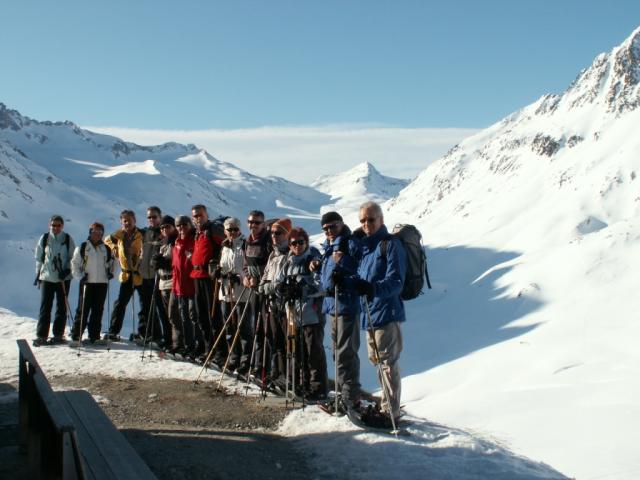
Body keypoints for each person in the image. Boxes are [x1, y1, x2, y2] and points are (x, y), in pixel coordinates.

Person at [353, 201, 406, 422]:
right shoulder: (367, 248)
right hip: (369, 314)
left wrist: (373, 289)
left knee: (387, 363)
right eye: (363, 220)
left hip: (386, 313)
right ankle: (386, 406)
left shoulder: (390, 245)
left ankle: (390, 411)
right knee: (378, 361)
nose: (366, 224)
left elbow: (396, 281)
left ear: (381, 220)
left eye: (371, 219)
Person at [314, 211, 363, 408]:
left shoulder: (350, 243)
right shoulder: (330, 246)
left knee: (346, 354)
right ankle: (344, 395)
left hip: (347, 306)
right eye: (325, 228)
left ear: (341, 224)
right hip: (334, 305)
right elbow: (331, 274)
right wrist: (318, 267)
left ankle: (350, 397)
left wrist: (342, 262)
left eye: (332, 226)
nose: (329, 231)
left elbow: (361, 268)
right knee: (337, 353)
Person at [273, 227, 327, 401]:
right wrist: (282, 290)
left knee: (314, 352)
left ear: (306, 242)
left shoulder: (313, 260)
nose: (297, 246)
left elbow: (321, 286)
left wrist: (302, 289)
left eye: (300, 242)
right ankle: (303, 385)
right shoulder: (287, 262)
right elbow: (278, 283)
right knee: (298, 352)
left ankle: (318, 388)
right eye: (293, 243)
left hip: (311, 314)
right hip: (293, 315)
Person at [258, 218, 292, 389]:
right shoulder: (273, 254)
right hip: (272, 305)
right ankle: (278, 374)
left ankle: (288, 377)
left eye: (278, 233)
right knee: (276, 341)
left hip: (285, 307)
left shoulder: (289, 255)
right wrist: (266, 286)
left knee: (287, 343)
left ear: (286, 234)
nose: (273, 236)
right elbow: (264, 279)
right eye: (271, 233)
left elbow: (280, 281)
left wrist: (267, 287)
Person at [33, 215, 76, 346]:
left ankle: (58, 334)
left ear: (62, 226)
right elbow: (39, 257)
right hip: (47, 277)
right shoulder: (45, 238)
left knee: (61, 307)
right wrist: (38, 274)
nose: (55, 227)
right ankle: (42, 335)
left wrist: (67, 270)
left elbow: (73, 258)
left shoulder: (68, 239)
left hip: (63, 278)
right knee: (45, 307)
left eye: (58, 225)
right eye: (53, 225)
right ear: (49, 225)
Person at [190, 204, 225, 364]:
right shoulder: (198, 233)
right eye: (195, 216)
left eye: (200, 215)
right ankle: (208, 349)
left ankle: (220, 352)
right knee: (202, 315)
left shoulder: (213, 230)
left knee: (213, 315)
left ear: (206, 215)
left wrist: (216, 263)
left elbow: (225, 246)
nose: (197, 218)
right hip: (197, 275)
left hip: (209, 278)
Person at [69, 222, 114, 346]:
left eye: (100, 232)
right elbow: (75, 264)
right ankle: (76, 335)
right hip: (87, 282)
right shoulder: (83, 247)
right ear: (90, 232)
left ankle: (94, 335)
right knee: (83, 309)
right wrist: (80, 277)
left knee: (98, 310)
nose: (97, 234)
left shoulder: (106, 249)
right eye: (94, 232)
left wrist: (111, 273)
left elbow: (113, 263)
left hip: (101, 282)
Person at [218, 217, 252, 376]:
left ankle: (245, 362)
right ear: (225, 231)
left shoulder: (245, 245)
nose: (232, 233)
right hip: (226, 293)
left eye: (235, 229)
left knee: (243, 328)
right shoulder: (224, 246)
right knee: (229, 327)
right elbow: (223, 267)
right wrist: (219, 274)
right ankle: (233, 358)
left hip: (242, 294)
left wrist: (239, 278)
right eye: (229, 230)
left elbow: (248, 269)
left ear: (239, 230)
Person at [104, 210, 144, 341]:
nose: (127, 223)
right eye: (125, 221)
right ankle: (113, 331)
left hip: (140, 274)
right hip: (127, 274)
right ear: (121, 223)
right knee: (120, 303)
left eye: (129, 220)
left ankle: (143, 333)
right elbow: (107, 241)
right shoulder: (119, 235)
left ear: (135, 220)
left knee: (145, 304)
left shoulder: (141, 235)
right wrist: (115, 248)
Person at [242, 210, 271, 377]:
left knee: (265, 328)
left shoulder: (267, 241)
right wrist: (246, 277)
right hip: (253, 290)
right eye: (250, 222)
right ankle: (257, 364)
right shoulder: (248, 241)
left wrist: (258, 279)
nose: (253, 225)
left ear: (263, 224)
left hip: (265, 291)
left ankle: (265, 367)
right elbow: (245, 264)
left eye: (257, 223)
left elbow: (270, 266)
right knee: (257, 328)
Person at [136, 206, 164, 344]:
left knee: (161, 307)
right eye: (149, 217)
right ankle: (150, 334)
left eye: (154, 216)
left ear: (160, 217)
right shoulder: (145, 233)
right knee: (146, 306)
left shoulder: (163, 232)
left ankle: (164, 337)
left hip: (158, 276)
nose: (151, 219)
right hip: (145, 275)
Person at [171, 215, 197, 358]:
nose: (181, 228)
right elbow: (175, 267)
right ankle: (188, 347)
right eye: (179, 225)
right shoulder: (177, 243)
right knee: (184, 318)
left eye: (184, 224)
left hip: (192, 286)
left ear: (189, 225)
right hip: (179, 287)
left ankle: (196, 347)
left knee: (193, 317)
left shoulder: (193, 241)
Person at [150, 215, 177, 350]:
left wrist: (163, 263)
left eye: (167, 226)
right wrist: (155, 262)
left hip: (172, 281)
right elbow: (155, 262)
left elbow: (177, 263)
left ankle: (175, 342)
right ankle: (168, 339)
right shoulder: (163, 242)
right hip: (162, 281)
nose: (165, 229)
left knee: (172, 314)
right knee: (164, 313)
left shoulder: (175, 242)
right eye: (162, 227)